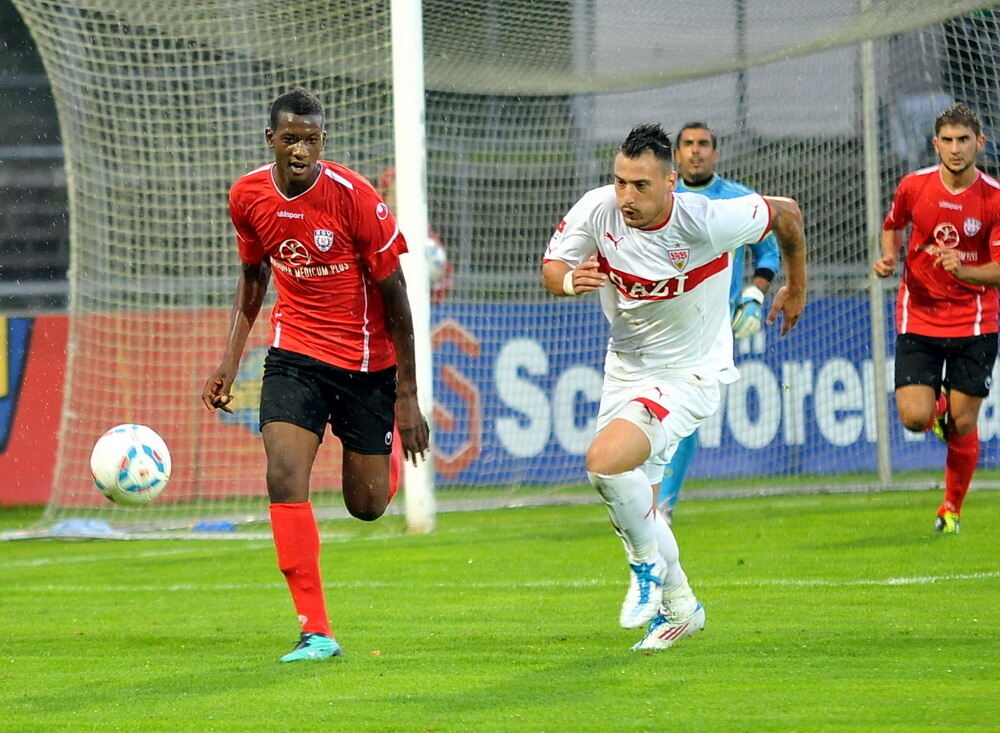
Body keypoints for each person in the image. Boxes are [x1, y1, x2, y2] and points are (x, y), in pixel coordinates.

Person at [542, 123, 806, 651]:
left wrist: (794, 287)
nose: (626, 196)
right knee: (637, 498)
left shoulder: (707, 220)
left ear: (671, 182)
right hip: (625, 368)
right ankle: (682, 606)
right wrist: (571, 280)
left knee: (604, 461)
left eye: (640, 185)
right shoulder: (599, 208)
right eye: (620, 182)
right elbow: (552, 267)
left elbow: (787, 214)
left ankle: (646, 571)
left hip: (690, 373)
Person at [202, 88, 430, 662]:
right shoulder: (247, 196)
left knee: (368, 505)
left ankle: (382, 444)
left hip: (364, 362)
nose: (300, 149)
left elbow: (396, 296)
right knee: (283, 475)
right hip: (294, 353)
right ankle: (315, 630)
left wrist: (408, 396)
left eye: (311, 139)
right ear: (271, 140)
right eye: (290, 138)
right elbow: (253, 279)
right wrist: (230, 361)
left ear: (322, 141)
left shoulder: (356, 199)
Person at [874, 102, 1000, 534]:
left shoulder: (994, 198)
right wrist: (890, 255)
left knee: (964, 425)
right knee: (914, 418)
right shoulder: (914, 186)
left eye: (963, 139)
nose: (955, 148)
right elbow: (893, 223)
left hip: (976, 321)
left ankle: (951, 508)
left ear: (979, 143)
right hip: (920, 316)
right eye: (947, 140)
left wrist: (963, 270)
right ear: (935, 144)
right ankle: (938, 403)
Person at [656, 122, 782, 519]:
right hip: (661, 318)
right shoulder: (660, 197)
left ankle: (663, 505)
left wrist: (754, 294)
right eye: (688, 145)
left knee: (684, 411)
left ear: (716, 153)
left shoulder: (738, 199)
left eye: (703, 145)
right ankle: (649, 498)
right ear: (676, 154)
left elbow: (769, 253)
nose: (696, 151)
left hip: (712, 324)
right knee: (656, 411)